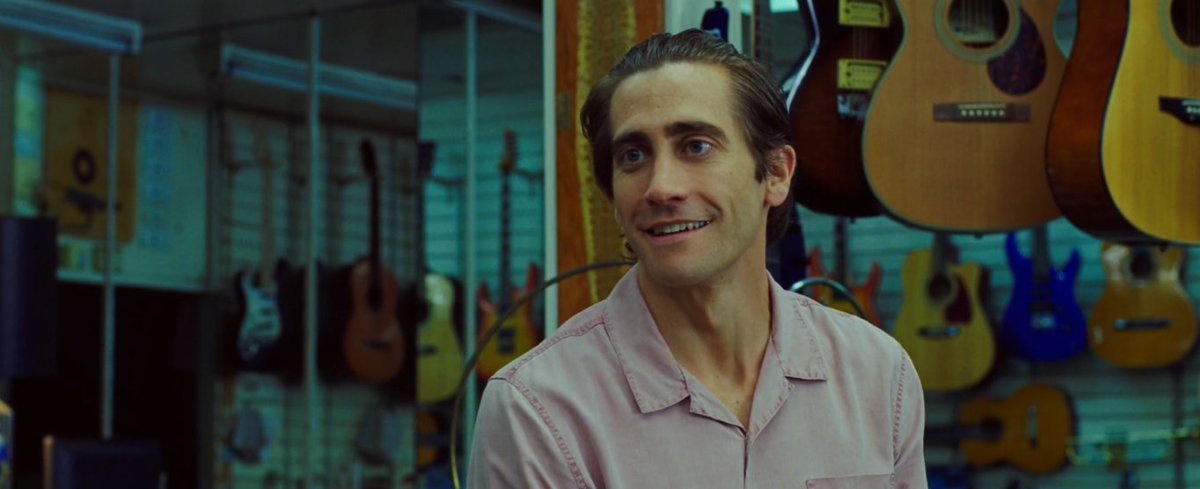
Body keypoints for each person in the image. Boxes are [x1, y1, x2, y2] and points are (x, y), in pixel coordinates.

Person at [468, 28, 926, 488]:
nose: (661, 187)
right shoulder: (537, 410)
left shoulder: (877, 373)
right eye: (633, 155)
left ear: (776, 174)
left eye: (696, 146)